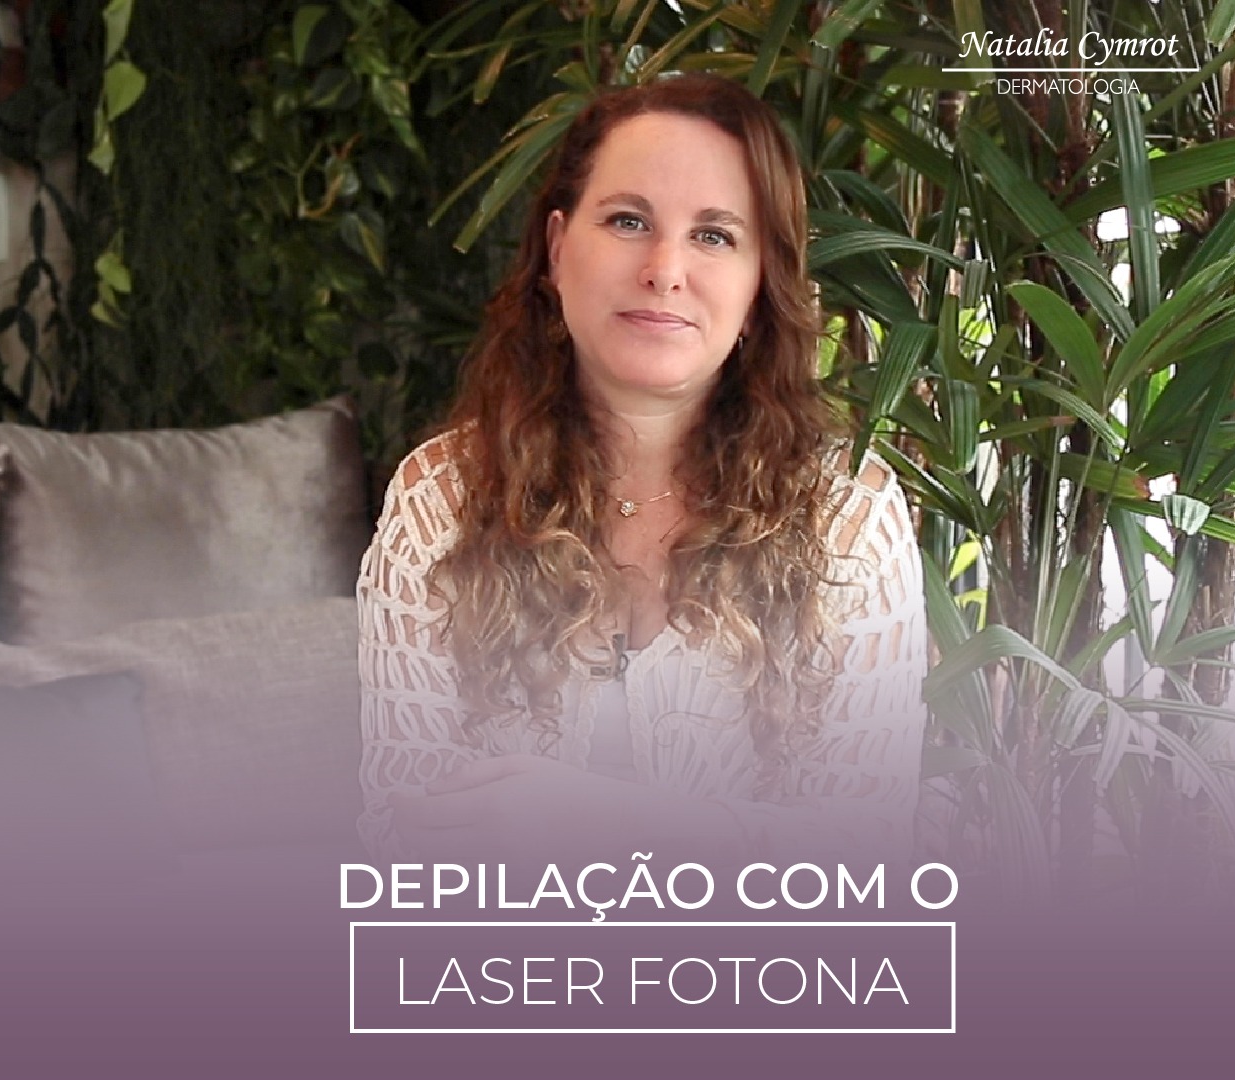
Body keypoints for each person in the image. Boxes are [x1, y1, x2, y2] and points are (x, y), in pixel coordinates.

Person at [356, 73, 926, 866]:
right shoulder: (441, 499)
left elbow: (865, 870)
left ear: (762, 283)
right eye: (628, 221)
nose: (664, 268)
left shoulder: (848, 520)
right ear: (558, 249)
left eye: (715, 235)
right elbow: (403, 846)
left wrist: (603, 824)